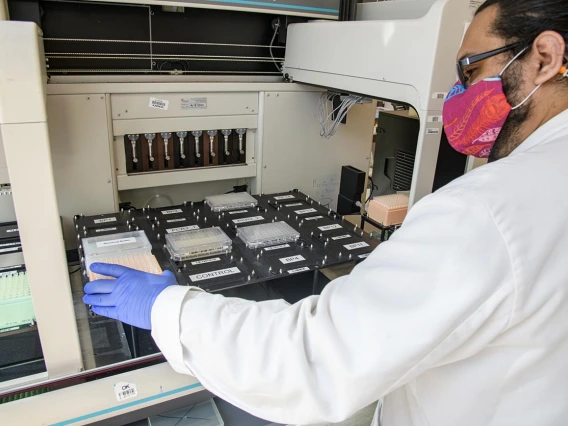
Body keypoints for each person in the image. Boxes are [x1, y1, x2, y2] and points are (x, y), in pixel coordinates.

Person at [84, 1, 568, 425]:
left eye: (469, 71)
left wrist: (166, 309)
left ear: (544, 58)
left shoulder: (487, 209)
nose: (459, 93)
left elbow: (312, 360)